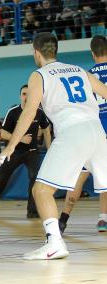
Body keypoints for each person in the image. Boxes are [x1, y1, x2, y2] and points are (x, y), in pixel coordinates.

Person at [0, 32, 107, 260]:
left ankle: (54, 243)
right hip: (97, 131)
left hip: (72, 133)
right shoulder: (78, 70)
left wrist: (10, 146)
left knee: (42, 190)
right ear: (56, 50)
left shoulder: (39, 75)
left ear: (36, 53)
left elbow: (29, 112)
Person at [0, 85, 51, 219]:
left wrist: (50, 149)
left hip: (32, 152)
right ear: (20, 96)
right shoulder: (13, 112)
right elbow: (3, 133)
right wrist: (20, 139)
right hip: (14, 152)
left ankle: (32, 210)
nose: (26, 97)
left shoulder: (39, 112)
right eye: (24, 94)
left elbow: (46, 129)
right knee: (1, 179)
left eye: (29, 94)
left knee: (35, 178)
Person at [58, 35, 107, 234]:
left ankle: (63, 219)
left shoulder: (86, 76)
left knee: (78, 178)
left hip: (91, 133)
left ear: (92, 53)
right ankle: (103, 219)